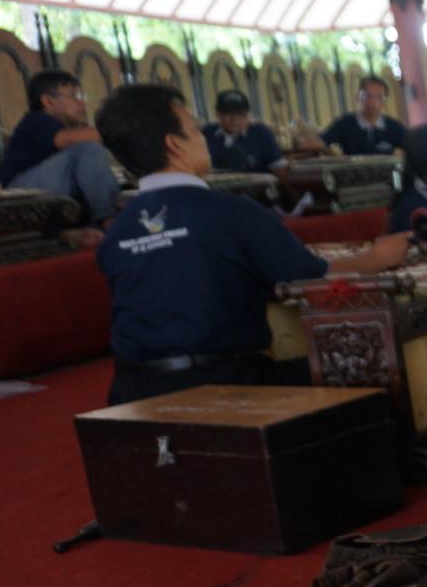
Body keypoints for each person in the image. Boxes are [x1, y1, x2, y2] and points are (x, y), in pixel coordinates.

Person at [93, 84, 409, 406]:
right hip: (225, 385)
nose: (204, 136)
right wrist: (379, 256)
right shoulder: (233, 213)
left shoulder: (116, 233)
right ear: (175, 144)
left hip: (132, 392)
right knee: (365, 365)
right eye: (195, 129)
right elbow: (315, 278)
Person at [0, 70, 119, 245]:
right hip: (16, 195)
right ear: (48, 101)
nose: (81, 102)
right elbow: (68, 140)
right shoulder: (36, 121)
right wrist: (123, 130)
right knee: (88, 149)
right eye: (73, 97)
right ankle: (111, 222)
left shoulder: (65, 128)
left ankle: (71, 233)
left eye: (81, 96)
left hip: (48, 198)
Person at [200, 90, 287, 173]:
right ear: (218, 114)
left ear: (247, 115)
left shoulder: (261, 134)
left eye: (240, 114)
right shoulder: (206, 135)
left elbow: (279, 168)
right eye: (228, 113)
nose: (234, 118)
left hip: (256, 187)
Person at [320, 76, 406, 156]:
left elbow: (412, 147)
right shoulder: (345, 123)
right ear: (358, 97)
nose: (372, 102)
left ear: (384, 103)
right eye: (367, 96)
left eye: (379, 97)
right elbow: (321, 142)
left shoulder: (394, 127)